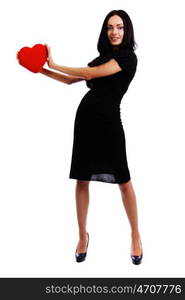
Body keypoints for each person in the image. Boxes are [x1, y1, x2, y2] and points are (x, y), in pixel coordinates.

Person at [39, 9, 143, 264]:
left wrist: (54, 63)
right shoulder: (101, 58)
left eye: (119, 27)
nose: (114, 32)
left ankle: (136, 236)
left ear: (126, 30)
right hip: (85, 123)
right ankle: (82, 236)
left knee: (124, 180)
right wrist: (39, 69)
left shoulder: (128, 58)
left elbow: (88, 75)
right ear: (105, 32)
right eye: (110, 27)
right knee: (82, 178)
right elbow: (70, 80)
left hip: (109, 124)